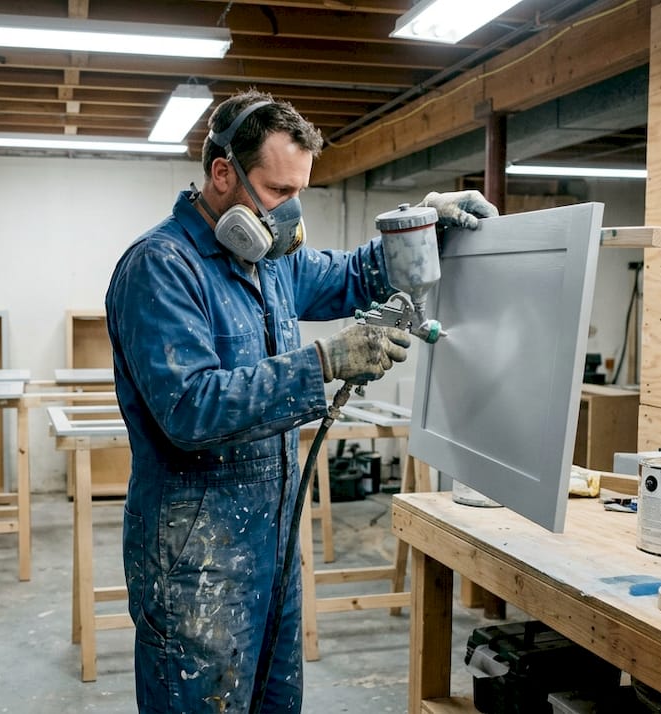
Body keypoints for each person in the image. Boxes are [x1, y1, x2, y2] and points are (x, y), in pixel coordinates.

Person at [104, 89, 495, 713]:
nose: (289, 213)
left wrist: (419, 225)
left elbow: (351, 275)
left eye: (299, 194)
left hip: (276, 543)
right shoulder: (162, 267)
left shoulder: (272, 265)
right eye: (278, 192)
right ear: (223, 173)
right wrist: (326, 363)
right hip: (196, 562)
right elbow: (190, 409)